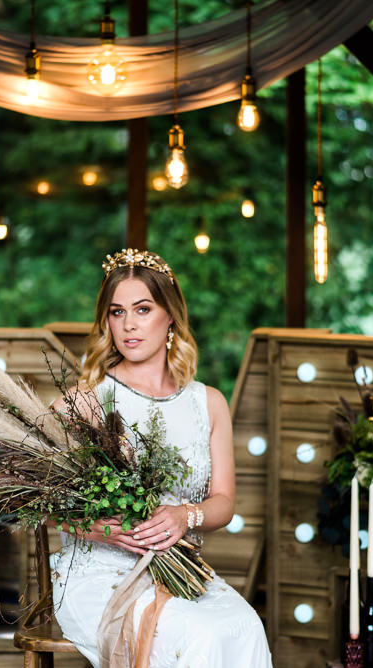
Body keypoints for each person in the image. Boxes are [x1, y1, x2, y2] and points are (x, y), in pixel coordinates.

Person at [50, 248, 271, 667]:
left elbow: (223, 503)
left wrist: (183, 515)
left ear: (170, 315)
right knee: (198, 638)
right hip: (99, 574)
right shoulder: (85, 404)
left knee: (246, 629)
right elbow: (43, 509)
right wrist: (104, 529)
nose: (128, 324)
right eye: (116, 312)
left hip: (180, 569)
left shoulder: (207, 403)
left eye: (143, 309)